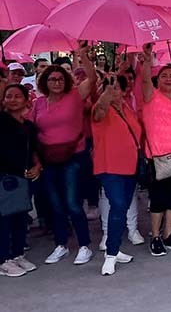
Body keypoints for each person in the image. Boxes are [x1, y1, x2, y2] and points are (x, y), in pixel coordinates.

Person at [30, 43, 96, 265]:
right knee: (55, 204)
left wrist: (83, 56)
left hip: (73, 157)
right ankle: (61, 245)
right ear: (44, 82)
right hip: (48, 159)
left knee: (72, 203)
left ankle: (84, 245)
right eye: (51, 79)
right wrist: (36, 160)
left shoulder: (75, 96)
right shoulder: (38, 104)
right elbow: (32, 132)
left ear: (66, 80)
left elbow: (93, 78)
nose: (56, 82)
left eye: (60, 78)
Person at [138, 44, 171, 257]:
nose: (168, 79)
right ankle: (155, 236)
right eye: (164, 76)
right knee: (158, 200)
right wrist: (148, 60)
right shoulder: (151, 97)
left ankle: (168, 235)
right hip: (157, 158)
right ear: (157, 79)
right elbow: (144, 80)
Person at [90, 75, 139, 275]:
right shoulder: (100, 109)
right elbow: (100, 111)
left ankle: (115, 248)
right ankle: (110, 255)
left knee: (122, 208)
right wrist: (106, 95)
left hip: (130, 167)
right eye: (108, 88)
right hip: (109, 168)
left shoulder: (127, 109)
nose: (113, 91)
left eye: (117, 88)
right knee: (118, 206)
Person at [0, 84, 40, 277]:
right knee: (3, 219)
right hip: (3, 177)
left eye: (17, 96)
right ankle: (3, 260)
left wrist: (37, 166)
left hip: (22, 178)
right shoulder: (1, 121)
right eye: (8, 96)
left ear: (26, 100)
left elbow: (34, 151)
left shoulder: (29, 126)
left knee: (20, 216)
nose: (12, 100)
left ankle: (16, 254)